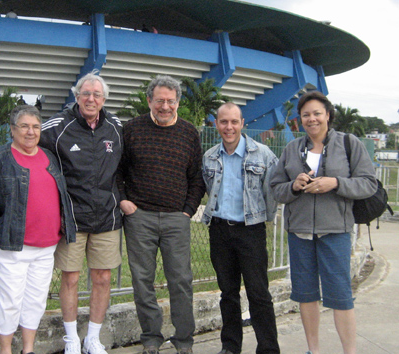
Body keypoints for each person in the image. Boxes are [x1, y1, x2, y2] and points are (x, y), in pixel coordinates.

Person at [270, 91, 377, 354]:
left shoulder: (349, 144)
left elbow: (369, 183)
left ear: (328, 115)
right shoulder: (292, 149)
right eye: (306, 115)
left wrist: (336, 183)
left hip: (335, 231)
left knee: (340, 297)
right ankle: (313, 350)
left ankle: (349, 351)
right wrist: (294, 186)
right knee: (305, 295)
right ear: (300, 120)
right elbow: (275, 187)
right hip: (300, 233)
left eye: (317, 113)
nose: (312, 119)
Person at [117, 75, 206, 354]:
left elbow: (197, 178)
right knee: (142, 281)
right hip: (139, 217)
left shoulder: (190, 133)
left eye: (170, 101)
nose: (165, 106)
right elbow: (117, 171)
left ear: (177, 102)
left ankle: (183, 341)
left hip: (175, 219)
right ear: (149, 101)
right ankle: (151, 339)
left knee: (180, 280)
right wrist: (124, 202)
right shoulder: (131, 129)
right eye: (159, 100)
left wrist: (187, 211)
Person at [0, 105, 76, 354]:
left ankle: (28, 349)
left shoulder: (48, 156)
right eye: (24, 126)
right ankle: (5, 350)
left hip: (46, 246)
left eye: (35, 126)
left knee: (34, 300)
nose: (30, 132)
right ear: (12, 130)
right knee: (8, 301)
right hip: (12, 245)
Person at [39, 71, 123, 354]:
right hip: (72, 219)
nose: (91, 99)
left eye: (97, 95)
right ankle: (71, 338)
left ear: (104, 99)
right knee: (71, 278)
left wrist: (123, 198)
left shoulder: (116, 127)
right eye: (85, 94)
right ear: (76, 96)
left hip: (107, 218)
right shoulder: (56, 126)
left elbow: (128, 167)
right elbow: (31, 154)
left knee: (102, 278)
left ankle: (93, 338)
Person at [201, 102, 280, 354]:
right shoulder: (210, 156)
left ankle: (268, 348)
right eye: (224, 122)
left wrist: (263, 216)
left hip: (251, 231)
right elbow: (207, 188)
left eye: (234, 121)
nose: (229, 127)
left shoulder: (263, 154)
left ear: (242, 123)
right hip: (220, 231)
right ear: (216, 125)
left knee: (258, 293)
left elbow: (273, 190)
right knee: (228, 293)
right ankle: (231, 346)